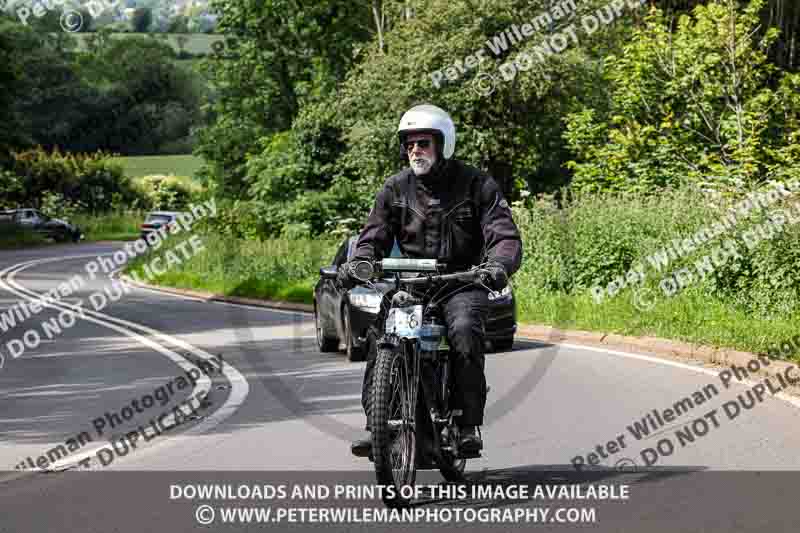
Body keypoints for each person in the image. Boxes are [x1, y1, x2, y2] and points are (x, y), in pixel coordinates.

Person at [340, 104, 523, 457]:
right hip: (413, 286)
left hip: (462, 282)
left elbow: (504, 235)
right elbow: (372, 236)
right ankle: (378, 426)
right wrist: (361, 261)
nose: (415, 151)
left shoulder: (476, 184)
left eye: (423, 143)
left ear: (443, 144)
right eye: (409, 144)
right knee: (382, 335)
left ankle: (467, 423)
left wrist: (498, 264)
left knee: (465, 328)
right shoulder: (394, 189)